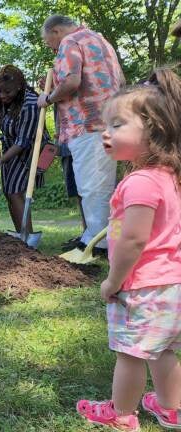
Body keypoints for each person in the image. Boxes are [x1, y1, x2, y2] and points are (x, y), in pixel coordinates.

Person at [74, 68, 181, 432]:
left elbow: (133, 240)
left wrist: (114, 280)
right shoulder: (169, 176)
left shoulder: (140, 182)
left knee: (130, 354)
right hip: (170, 284)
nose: (106, 132)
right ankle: (171, 409)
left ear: (153, 130)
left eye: (117, 124)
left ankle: (121, 414)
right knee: (161, 350)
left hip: (140, 284)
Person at [37, 14, 124, 252]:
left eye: (49, 42)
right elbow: (122, 81)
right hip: (113, 122)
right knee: (109, 188)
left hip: (87, 124)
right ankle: (102, 238)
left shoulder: (70, 42)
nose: (52, 47)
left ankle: (99, 244)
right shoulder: (102, 41)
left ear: (56, 32)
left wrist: (48, 98)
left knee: (91, 186)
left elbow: (72, 82)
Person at [0, 65, 47, 237]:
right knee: (9, 192)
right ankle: (20, 236)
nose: (2, 96)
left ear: (19, 86)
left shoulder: (29, 104)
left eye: (7, 92)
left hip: (28, 151)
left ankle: (27, 235)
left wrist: (0, 160)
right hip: (10, 149)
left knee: (16, 192)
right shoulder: (1, 102)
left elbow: (23, 141)